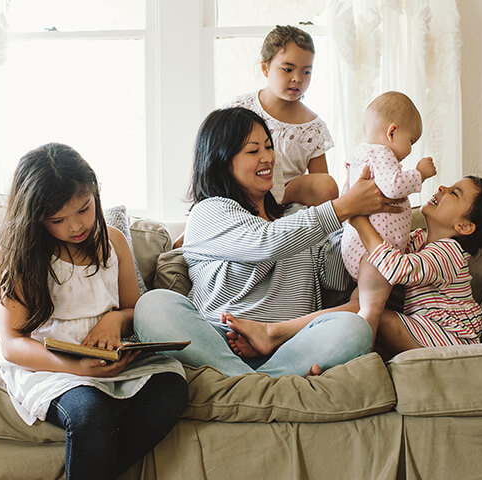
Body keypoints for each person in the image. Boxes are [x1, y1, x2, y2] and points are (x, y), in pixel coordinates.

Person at [134, 107, 402, 378]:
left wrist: (358, 218)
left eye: (268, 147)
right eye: (253, 151)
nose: (267, 158)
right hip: (217, 345)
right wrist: (341, 207)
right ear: (222, 161)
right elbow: (266, 242)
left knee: (353, 328)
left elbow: (336, 278)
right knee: (153, 306)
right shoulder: (209, 212)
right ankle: (258, 382)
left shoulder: (298, 216)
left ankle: (248, 384)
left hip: (289, 348)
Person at [0, 143, 188, 480]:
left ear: (95, 194)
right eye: (57, 220)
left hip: (110, 359)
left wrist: (115, 319)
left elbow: (134, 309)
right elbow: (12, 343)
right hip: (50, 368)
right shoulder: (25, 257)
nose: (75, 226)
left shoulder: (113, 242)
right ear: (35, 218)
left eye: (84, 209)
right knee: (91, 415)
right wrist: (77, 368)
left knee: (172, 388)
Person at [227, 175, 482, 361]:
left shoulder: (450, 253)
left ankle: (279, 337)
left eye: (454, 194)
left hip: (448, 340)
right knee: (364, 308)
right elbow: (385, 248)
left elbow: (395, 268)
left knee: (373, 314)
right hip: (423, 330)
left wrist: (359, 221)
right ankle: (302, 353)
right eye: (448, 186)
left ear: (464, 227)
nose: (442, 189)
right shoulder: (421, 238)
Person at [228, 24, 338, 206]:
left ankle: (275, 205)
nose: (298, 78)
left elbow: (321, 185)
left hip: (287, 199)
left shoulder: (313, 126)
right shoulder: (241, 109)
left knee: (326, 185)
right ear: (265, 68)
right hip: (244, 192)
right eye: (288, 69)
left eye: (306, 71)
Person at [341, 91, 437, 280]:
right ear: (391, 132)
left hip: (358, 250)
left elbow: (345, 193)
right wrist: (421, 173)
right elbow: (394, 186)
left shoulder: (360, 156)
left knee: (362, 298)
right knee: (372, 305)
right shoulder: (381, 153)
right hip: (373, 254)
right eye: (411, 141)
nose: (410, 150)